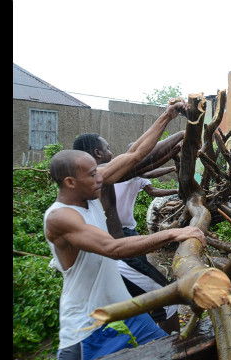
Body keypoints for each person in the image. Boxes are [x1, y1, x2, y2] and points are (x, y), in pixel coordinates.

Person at [46, 100, 207, 360]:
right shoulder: (61, 218)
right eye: (92, 175)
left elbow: (134, 155)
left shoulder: (89, 187)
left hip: (126, 309)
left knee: (170, 352)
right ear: (70, 182)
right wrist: (172, 233)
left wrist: (168, 115)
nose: (102, 177)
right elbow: (112, 248)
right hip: (89, 325)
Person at [74, 136, 182, 334]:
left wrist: (173, 150)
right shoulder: (97, 175)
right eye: (107, 148)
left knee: (134, 302)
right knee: (169, 299)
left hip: (112, 251)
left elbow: (144, 163)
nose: (111, 152)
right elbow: (140, 158)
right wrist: (182, 133)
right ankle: (174, 348)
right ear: (97, 153)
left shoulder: (87, 176)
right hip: (115, 256)